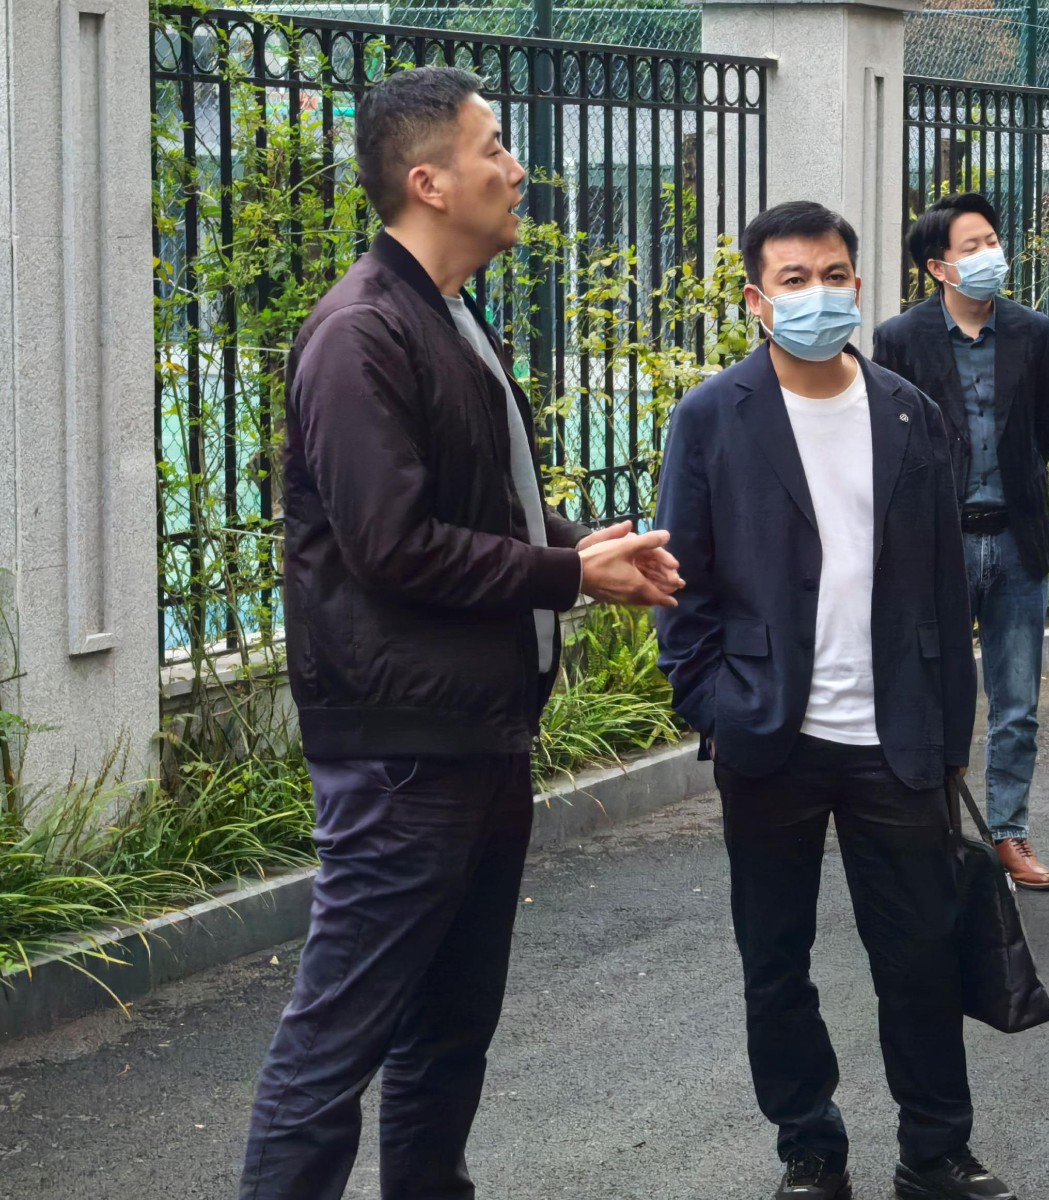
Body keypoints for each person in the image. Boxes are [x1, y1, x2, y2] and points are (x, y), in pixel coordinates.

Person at [238, 67, 682, 1199]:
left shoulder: (448, 315)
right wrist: (564, 573)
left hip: (476, 735)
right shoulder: (360, 333)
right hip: (404, 752)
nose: (516, 169)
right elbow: (390, 546)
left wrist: (582, 552)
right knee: (338, 1040)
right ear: (429, 182)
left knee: (448, 1036)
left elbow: (478, 514)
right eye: (494, 148)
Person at [656, 201, 1018, 1200]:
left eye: (832, 276)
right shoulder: (712, 416)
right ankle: (809, 1148)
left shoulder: (908, 411)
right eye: (794, 280)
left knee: (918, 955)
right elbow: (681, 584)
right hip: (767, 733)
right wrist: (713, 704)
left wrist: (951, 734)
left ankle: (934, 1150)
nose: (817, 295)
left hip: (893, 736)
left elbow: (945, 588)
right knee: (775, 958)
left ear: (859, 285)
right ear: (756, 299)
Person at [872, 192, 1049, 891]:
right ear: (939, 267)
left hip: (1015, 539)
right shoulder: (901, 338)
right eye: (972, 247)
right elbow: (889, 445)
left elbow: (1048, 429)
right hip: (938, 543)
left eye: (992, 241)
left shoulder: (1033, 332)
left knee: (1018, 705)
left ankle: (1008, 833)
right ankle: (938, 834)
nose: (990, 256)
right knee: (932, 696)